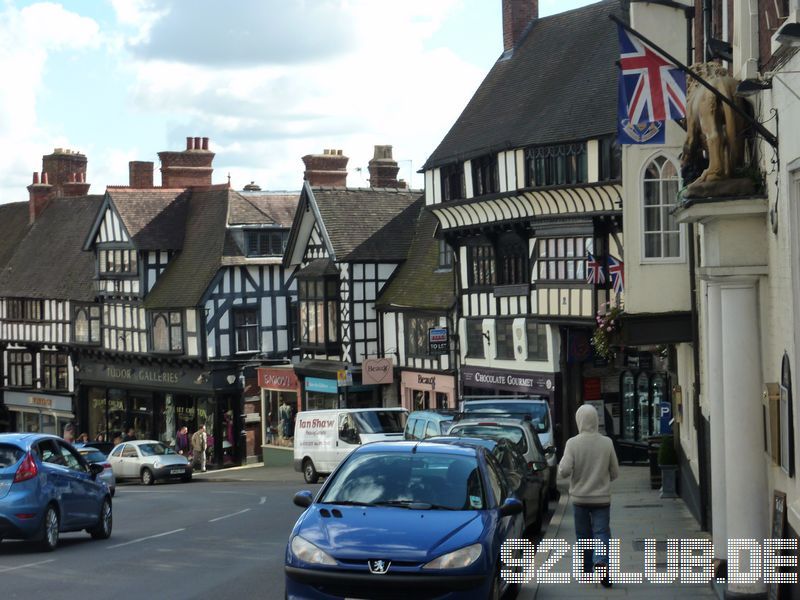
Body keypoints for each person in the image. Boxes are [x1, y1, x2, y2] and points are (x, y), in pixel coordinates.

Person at [557, 404, 619, 588]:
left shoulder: (572, 443)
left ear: (579, 421)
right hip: (602, 498)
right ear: (596, 420)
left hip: (580, 499)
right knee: (602, 532)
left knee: (583, 535)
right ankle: (601, 561)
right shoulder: (607, 443)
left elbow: (564, 471)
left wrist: (568, 470)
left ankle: (585, 571)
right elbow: (615, 472)